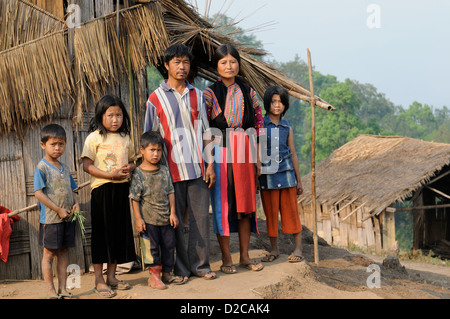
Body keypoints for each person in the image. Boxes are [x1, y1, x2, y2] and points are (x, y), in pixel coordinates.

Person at [144, 44, 216, 281]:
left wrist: (210, 164)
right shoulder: (155, 99)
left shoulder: (198, 94)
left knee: (200, 220)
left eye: (185, 62)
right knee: (173, 223)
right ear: (166, 65)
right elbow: (149, 137)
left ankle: (202, 267)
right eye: (176, 62)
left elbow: (206, 131)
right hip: (168, 171)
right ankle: (181, 269)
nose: (182, 66)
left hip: (197, 168)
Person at [203, 43, 265, 274]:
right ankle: (227, 257)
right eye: (223, 62)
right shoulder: (209, 93)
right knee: (223, 204)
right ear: (217, 66)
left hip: (246, 151)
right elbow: (206, 129)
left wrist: (258, 159)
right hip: (220, 152)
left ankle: (245, 257)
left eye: (233, 62)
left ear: (239, 64)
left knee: (246, 205)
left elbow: (258, 124)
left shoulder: (248, 91)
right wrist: (209, 161)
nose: (229, 66)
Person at [81, 94, 136, 298]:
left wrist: (129, 167)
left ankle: (112, 276)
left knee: (117, 233)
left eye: (119, 115)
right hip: (102, 189)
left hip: (121, 189)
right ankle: (99, 279)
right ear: (101, 116)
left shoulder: (125, 137)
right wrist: (109, 175)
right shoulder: (94, 137)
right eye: (110, 115)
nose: (115, 119)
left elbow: (133, 161)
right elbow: (87, 165)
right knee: (102, 235)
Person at [258, 85, 304, 263]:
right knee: (270, 214)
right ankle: (274, 249)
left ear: (285, 105)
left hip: (287, 177)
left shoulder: (287, 127)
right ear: (267, 103)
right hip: (267, 177)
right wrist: (256, 178)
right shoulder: (260, 125)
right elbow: (258, 154)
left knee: (291, 212)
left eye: (281, 102)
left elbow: (293, 154)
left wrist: (299, 181)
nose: (277, 105)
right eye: (273, 101)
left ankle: (298, 248)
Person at [130, 131, 181, 290]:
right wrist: (138, 219)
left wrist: (172, 213)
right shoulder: (138, 173)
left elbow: (170, 192)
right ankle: (154, 277)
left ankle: (167, 273)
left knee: (168, 246)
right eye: (152, 150)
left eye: (159, 150)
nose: (155, 154)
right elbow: (135, 198)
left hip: (165, 219)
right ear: (142, 150)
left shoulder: (164, 170)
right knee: (151, 250)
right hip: (148, 221)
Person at [34, 124, 80, 299]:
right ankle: (50, 290)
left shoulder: (65, 168)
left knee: (63, 252)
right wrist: (58, 209)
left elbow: (73, 190)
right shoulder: (42, 167)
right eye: (53, 144)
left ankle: (63, 288)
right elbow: (38, 193)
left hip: (67, 218)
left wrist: (76, 204)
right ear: (43, 145)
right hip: (51, 219)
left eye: (61, 144)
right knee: (49, 254)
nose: (57, 148)